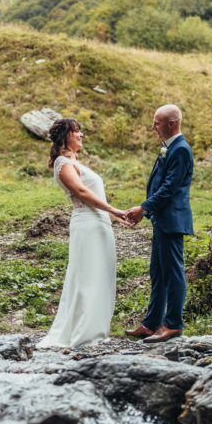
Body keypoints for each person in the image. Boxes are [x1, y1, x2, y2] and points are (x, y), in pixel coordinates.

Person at [37, 118, 130, 348]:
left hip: (99, 224)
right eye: (76, 131)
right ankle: (83, 334)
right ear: (65, 136)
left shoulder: (74, 162)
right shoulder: (63, 163)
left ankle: (95, 330)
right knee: (87, 277)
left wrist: (111, 216)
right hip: (87, 225)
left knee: (101, 275)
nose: (81, 135)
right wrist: (114, 210)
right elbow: (80, 191)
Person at [125, 104, 194, 343]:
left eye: (156, 123)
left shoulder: (181, 149)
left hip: (172, 220)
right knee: (158, 272)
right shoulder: (170, 148)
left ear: (171, 123)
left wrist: (144, 208)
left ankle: (173, 323)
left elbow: (169, 188)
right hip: (162, 220)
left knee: (173, 271)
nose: (153, 127)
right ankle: (152, 323)